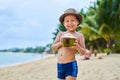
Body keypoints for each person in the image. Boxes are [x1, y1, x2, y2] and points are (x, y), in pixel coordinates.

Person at [51, 8, 91, 80]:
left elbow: (83, 52)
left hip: (70, 65)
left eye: (73, 20)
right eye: (67, 21)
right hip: (59, 65)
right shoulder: (61, 34)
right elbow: (53, 48)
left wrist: (77, 47)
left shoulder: (79, 36)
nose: (70, 23)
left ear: (77, 22)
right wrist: (61, 43)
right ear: (63, 23)